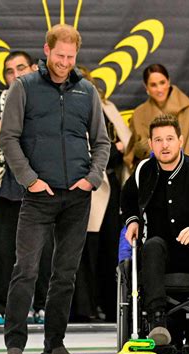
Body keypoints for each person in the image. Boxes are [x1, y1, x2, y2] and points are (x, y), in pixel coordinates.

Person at [0, 24, 110, 354]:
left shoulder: (86, 91)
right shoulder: (24, 87)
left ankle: (54, 346)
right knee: (26, 270)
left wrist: (92, 179)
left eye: (70, 56)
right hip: (38, 196)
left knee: (65, 274)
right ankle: (14, 346)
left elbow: (102, 142)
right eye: (59, 55)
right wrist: (29, 180)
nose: (64, 62)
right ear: (46, 51)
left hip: (77, 197)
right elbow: (8, 138)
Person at [121, 114, 189, 348]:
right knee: (151, 245)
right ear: (150, 144)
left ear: (181, 141)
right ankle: (157, 321)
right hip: (160, 258)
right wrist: (132, 220)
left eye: (170, 138)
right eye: (158, 140)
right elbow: (127, 198)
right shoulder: (143, 171)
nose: (164, 145)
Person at [0, 50, 51, 326]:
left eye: (21, 68)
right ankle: (1, 304)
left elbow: (46, 136)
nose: (15, 74)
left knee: (43, 248)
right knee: (3, 248)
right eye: (9, 71)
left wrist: (10, 132)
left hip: (40, 182)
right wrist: (23, 132)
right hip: (3, 183)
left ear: (33, 68)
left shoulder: (46, 97)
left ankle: (43, 304)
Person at [71, 65, 131, 322]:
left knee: (108, 248)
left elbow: (127, 140)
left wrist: (114, 148)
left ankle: (110, 305)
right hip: (79, 185)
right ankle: (84, 308)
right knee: (81, 251)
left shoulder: (106, 106)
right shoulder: (66, 109)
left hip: (109, 186)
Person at [126, 63, 189, 170]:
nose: (159, 89)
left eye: (162, 83)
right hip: (151, 173)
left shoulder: (186, 108)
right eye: (153, 85)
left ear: (169, 82)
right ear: (146, 87)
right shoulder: (139, 114)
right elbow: (134, 152)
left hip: (186, 171)